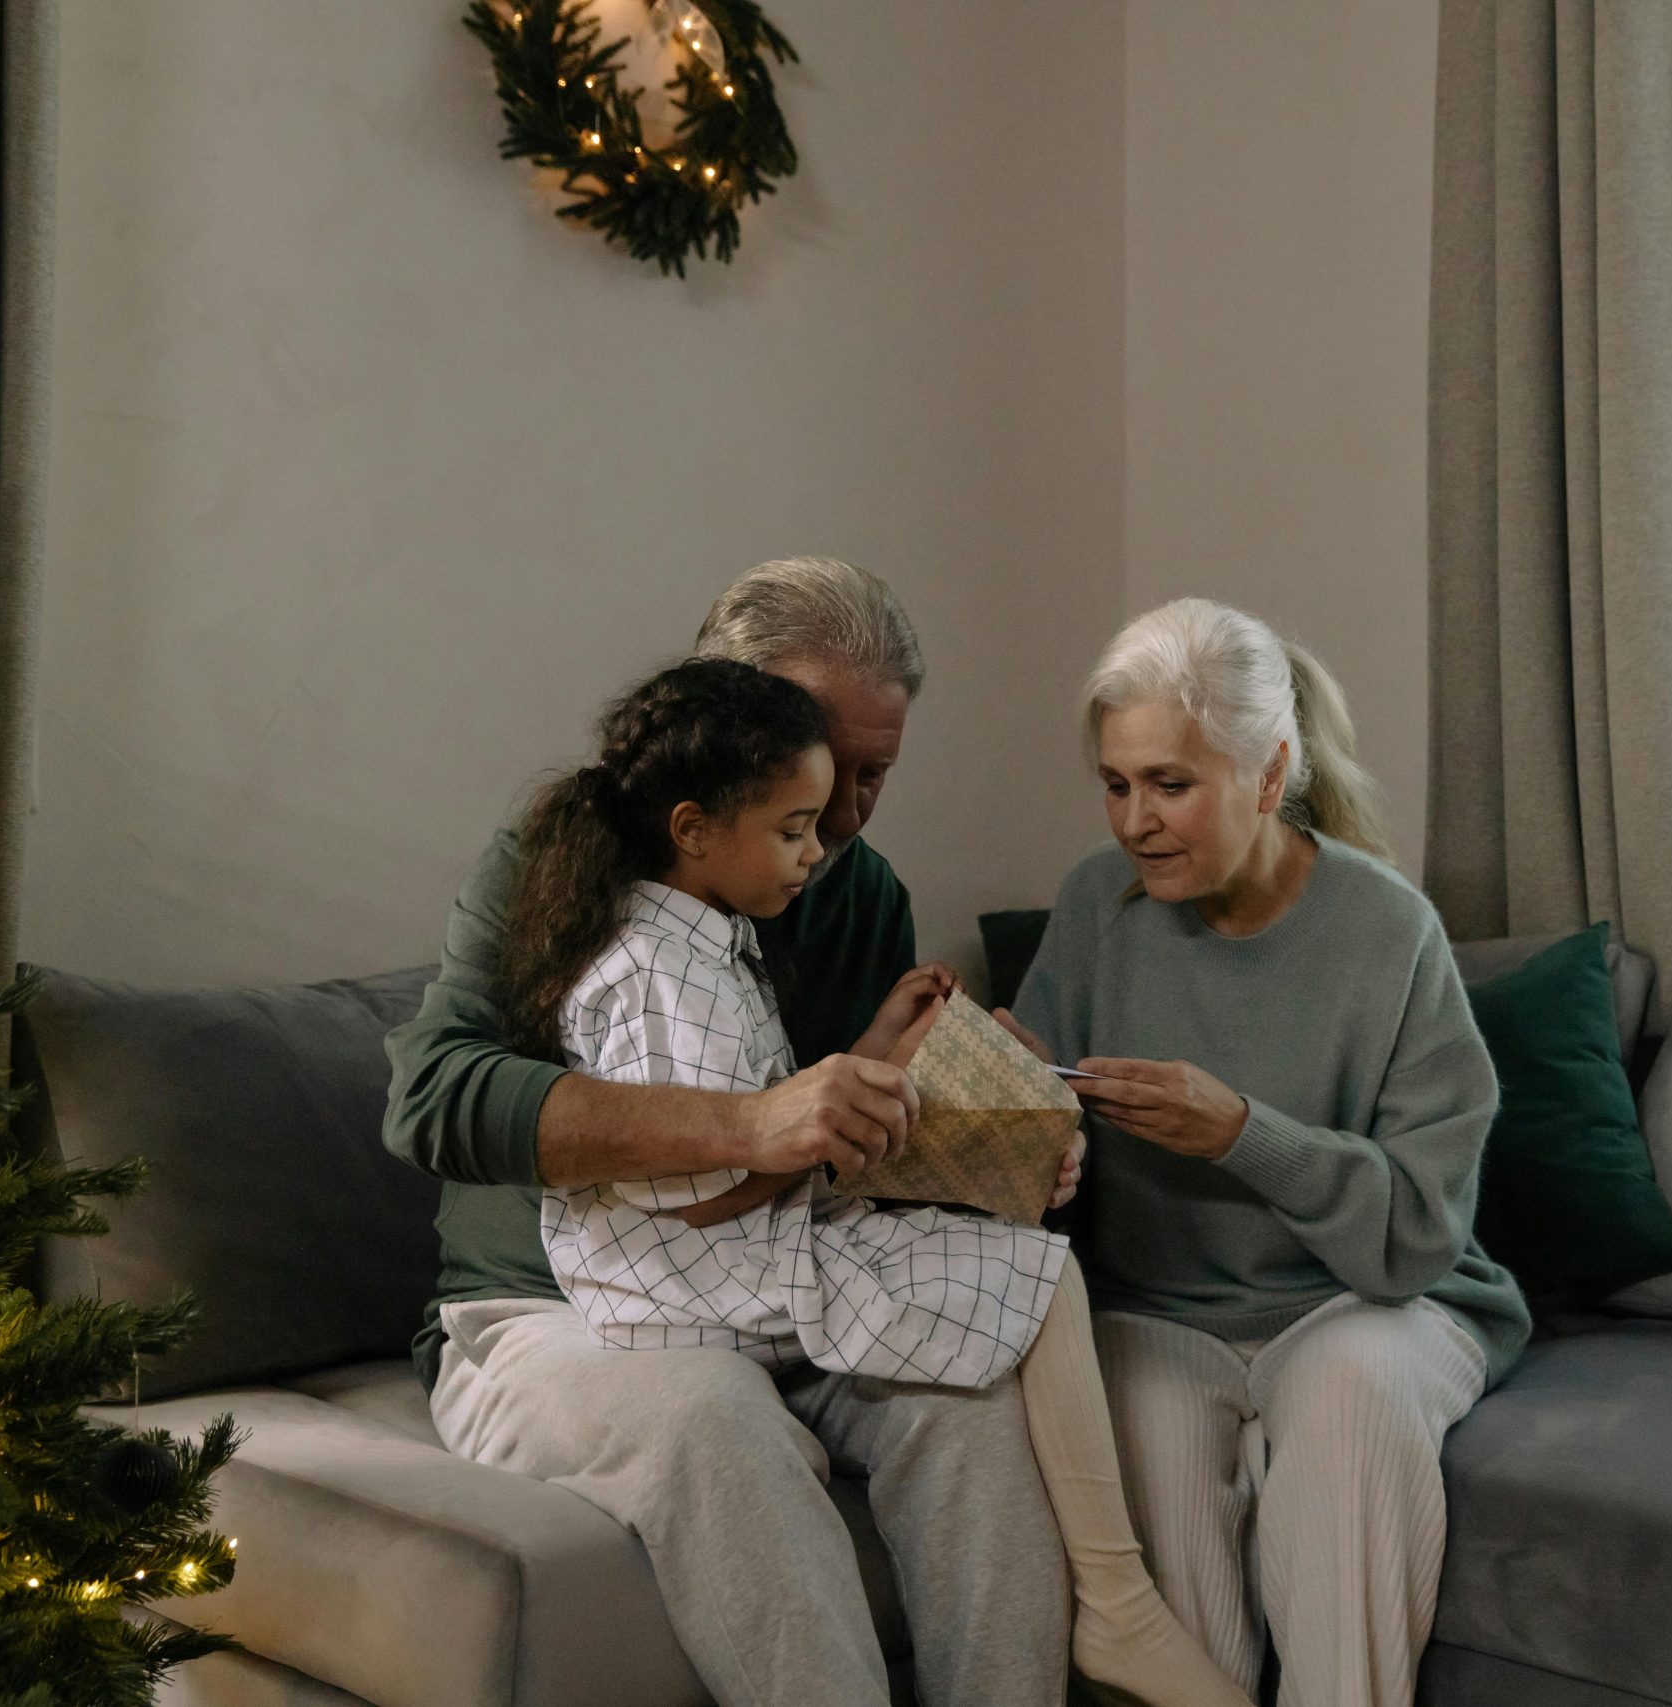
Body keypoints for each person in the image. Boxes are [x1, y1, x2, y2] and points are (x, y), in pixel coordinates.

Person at [384, 560, 1065, 1707]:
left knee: (975, 1402)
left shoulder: (856, 894)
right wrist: (752, 1121)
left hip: (780, 1291)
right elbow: (435, 1100)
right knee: (711, 1418)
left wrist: (1001, 1130)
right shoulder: (553, 861)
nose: (844, 815)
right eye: (820, 773)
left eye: (874, 776)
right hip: (555, 1314)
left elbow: (858, 1156)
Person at [510, 656, 1252, 1707]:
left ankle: (1111, 1606)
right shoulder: (656, 976)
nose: (819, 851)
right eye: (793, 828)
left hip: (725, 1251)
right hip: (694, 1279)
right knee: (1034, 1275)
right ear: (690, 829)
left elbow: (755, 1111)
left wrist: (875, 1049)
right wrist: (846, 1133)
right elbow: (691, 1188)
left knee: (1016, 1283)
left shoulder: (698, 945)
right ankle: (1118, 1602)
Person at [1001, 598, 1533, 1707]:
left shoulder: (1388, 931)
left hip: (1366, 1305)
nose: (1135, 821)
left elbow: (1418, 1232)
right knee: (1144, 1471)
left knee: (1349, 1399)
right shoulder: (1095, 906)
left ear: (1269, 767)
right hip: (1154, 1312)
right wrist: (999, 1089)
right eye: (1116, 783)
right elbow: (1043, 1158)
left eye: (1170, 785)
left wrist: (1244, 1134)